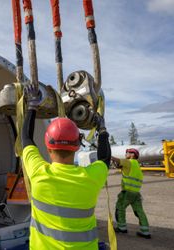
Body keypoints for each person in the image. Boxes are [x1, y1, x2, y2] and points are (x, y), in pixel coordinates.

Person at [21, 84, 111, 250]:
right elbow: (105, 158)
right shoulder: (90, 178)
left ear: (48, 146)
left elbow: (26, 138)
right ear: (77, 146)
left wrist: (32, 105)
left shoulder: (38, 174)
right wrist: (102, 129)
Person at [112, 148, 151, 239]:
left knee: (120, 208)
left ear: (132, 155)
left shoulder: (129, 162)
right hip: (136, 193)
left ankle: (122, 228)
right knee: (139, 211)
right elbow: (120, 166)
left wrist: (108, 155)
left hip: (127, 193)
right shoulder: (136, 165)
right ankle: (145, 231)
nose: (125, 154)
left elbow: (117, 160)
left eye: (127, 152)